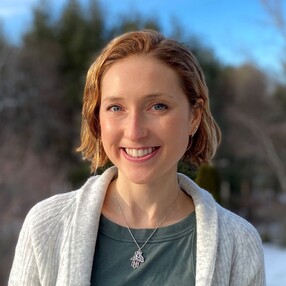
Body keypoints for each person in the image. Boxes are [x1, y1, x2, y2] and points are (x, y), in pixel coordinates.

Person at [9, 30, 265, 286]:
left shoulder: (238, 243)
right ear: (98, 118)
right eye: (116, 108)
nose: (134, 132)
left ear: (194, 117)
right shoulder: (46, 227)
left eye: (157, 106)